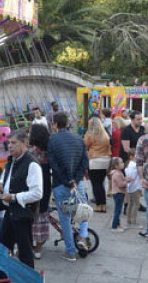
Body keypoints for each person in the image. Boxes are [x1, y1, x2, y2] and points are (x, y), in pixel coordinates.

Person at [0, 130, 43, 268]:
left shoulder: (32, 164)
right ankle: (3, 277)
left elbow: (37, 193)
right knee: (4, 247)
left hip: (23, 213)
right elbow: (7, 178)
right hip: (10, 212)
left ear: (24, 144)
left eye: (13, 143)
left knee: (25, 251)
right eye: (8, 143)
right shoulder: (11, 161)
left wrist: (14, 197)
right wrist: (1, 184)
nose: (10, 146)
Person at [48, 112, 90, 261]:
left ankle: (70, 251)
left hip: (61, 184)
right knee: (83, 210)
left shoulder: (53, 141)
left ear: (55, 124)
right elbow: (85, 162)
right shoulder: (79, 139)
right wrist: (75, 179)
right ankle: (83, 236)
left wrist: (67, 180)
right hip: (77, 183)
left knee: (65, 218)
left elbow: (54, 165)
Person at [28, 124, 51, 259]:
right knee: (42, 213)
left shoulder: (31, 151)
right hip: (46, 183)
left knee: (31, 213)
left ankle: (29, 243)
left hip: (32, 183)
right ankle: (38, 247)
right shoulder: (48, 150)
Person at [84, 117, 111, 212]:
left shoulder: (90, 135)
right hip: (105, 160)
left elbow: (84, 146)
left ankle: (98, 205)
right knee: (101, 183)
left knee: (95, 184)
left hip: (94, 160)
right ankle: (103, 204)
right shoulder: (105, 134)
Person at [124, 149, 142, 229]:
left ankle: (129, 219)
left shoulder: (129, 165)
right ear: (131, 156)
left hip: (131, 187)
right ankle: (134, 221)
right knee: (136, 204)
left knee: (131, 204)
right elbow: (132, 177)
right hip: (135, 187)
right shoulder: (133, 166)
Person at [109, 157, 127, 231]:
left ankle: (118, 224)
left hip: (117, 193)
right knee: (118, 210)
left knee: (118, 209)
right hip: (118, 193)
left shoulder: (117, 173)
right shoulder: (117, 174)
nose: (123, 164)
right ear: (116, 166)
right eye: (121, 163)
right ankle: (114, 225)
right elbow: (121, 184)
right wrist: (127, 181)